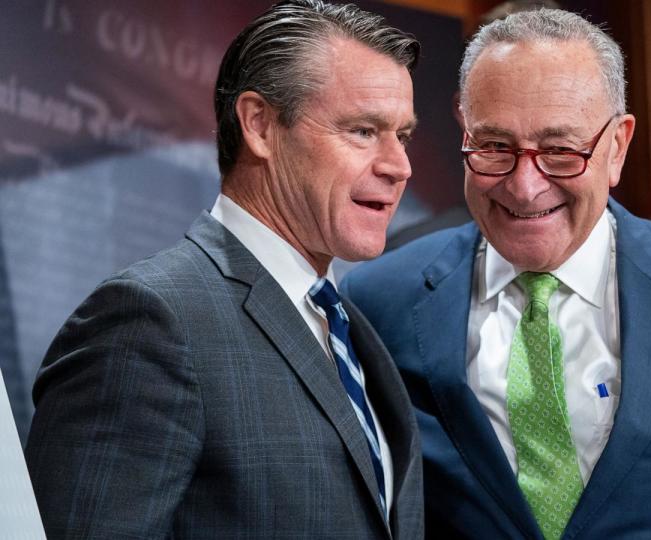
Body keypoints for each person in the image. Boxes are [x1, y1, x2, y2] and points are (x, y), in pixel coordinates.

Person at [342, 8, 651, 539]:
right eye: (494, 147)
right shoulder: (376, 300)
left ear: (617, 146)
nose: (524, 186)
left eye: (560, 152)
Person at [25, 2, 423, 537]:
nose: (399, 165)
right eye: (362, 130)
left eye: (404, 135)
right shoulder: (150, 321)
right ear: (259, 125)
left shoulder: (354, 328)